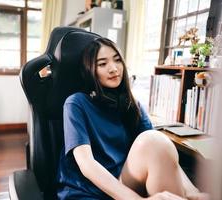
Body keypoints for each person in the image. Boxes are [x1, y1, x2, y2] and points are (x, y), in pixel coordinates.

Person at [57, 37, 209, 200]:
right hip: (90, 192)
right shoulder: (76, 103)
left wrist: (193, 192)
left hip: (124, 185)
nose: (114, 69)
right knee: (153, 140)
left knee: (156, 141)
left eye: (117, 60)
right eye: (102, 64)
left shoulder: (132, 105)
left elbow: (163, 155)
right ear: (90, 70)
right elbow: (87, 165)